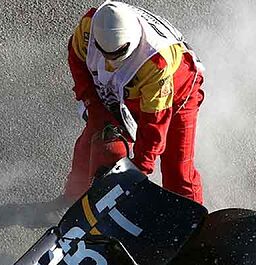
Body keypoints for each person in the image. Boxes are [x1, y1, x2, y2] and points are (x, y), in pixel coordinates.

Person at [63, 1, 205, 204]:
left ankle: (192, 223)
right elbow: (76, 60)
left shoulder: (156, 63)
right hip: (121, 89)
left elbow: (154, 126)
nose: (110, 61)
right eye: (105, 53)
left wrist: (137, 171)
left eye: (117, 54)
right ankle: (72, 201)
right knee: (96, 139)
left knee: (177, 168)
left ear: (132, 42)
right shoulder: (88, 26)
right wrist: (93, 106)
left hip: (176, 94)